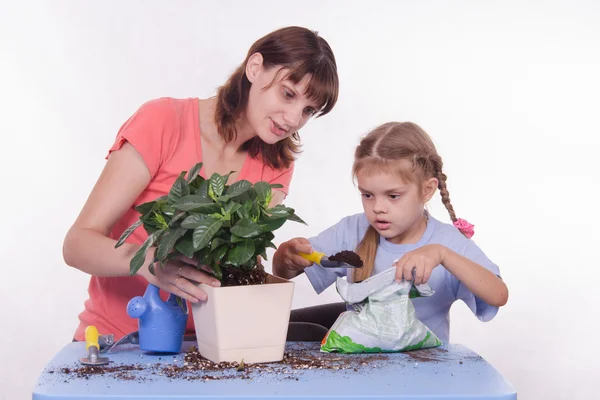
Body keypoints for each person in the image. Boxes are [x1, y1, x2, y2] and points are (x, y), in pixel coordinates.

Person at [63, 26, 339, 341]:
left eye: (308, 111)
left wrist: (282, 264)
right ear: (254, 68)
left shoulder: (277, 163)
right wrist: (147, 261)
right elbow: (77, 245)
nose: (292, 118)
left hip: (208, 346)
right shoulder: (163, 121)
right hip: (122, 341)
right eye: (288, 94)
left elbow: (240, 260)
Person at [273, 122, 508, 343]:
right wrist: (287, 256)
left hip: (421, 374)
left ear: (427, 190)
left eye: (393, 196)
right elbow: (283, 272)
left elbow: (498, 295)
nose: (377, 208)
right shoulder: (352, 230)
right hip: (358, 366)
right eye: (367, 195)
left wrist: (442, 255)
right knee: (283, 327)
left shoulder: (446, 243)